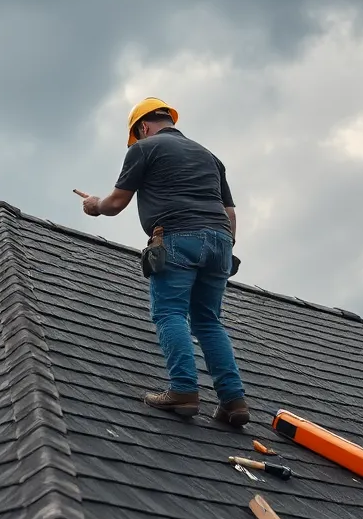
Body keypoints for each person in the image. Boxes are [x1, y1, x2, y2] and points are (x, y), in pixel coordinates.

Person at [76, 97, 249, 427]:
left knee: (169, 312)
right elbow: (229, 214)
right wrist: (225, 250)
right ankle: (233, 402)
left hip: (177, 238)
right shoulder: (210, 157)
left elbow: (115, 203)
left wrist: (94, 205)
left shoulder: (144, 149)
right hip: (221, 243)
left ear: (143, 127)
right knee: (208, 321)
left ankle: (184, 391)